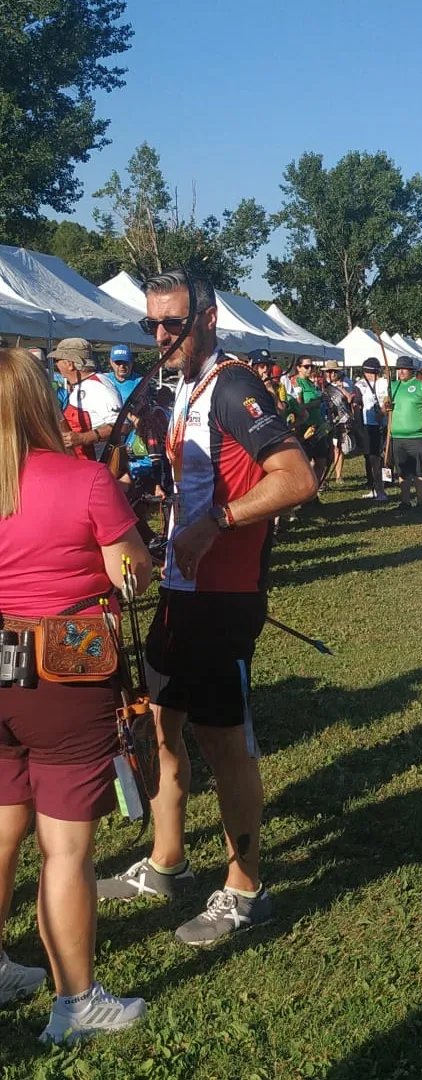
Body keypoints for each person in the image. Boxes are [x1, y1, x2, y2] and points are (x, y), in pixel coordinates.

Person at [96, 269, 318, 946]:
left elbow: (297, 477)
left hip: (224, 597)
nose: (162, 337)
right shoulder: (185, 390)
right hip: (180, 591)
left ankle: (246, 890)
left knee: (223, 743)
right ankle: (167, 862)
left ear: (209, 318)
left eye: (174, 324)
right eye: (152, 326)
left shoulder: (234, 386)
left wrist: (214, 520)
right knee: (160, 727)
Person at [0, 347, 152, 1042]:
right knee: (66, 849)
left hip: (3, 659)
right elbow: (133, 575)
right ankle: (75, 1001)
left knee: (2, 822)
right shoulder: (84, 479)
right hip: (67, 665)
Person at [49, 338, 121, 461]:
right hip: (81, 464)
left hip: (97, 465)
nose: (56, 365)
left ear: (69, 364)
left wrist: (83, 438)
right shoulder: (81, 386)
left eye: (57, 360)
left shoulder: (97, 386)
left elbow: (120, 425)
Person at [382, 357, 422, 509]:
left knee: (418, 470)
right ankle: (405, 501)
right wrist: (385, 407)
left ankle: (420, 502)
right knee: (402, 471)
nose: (400, 371)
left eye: (404, 369)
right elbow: (384, 407)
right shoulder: (393, 386)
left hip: (417, 435)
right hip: (396, 436)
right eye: (398, 369)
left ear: (411, 370)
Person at [292, 358, 331, 487]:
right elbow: (298, 407)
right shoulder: (295, 382)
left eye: (311, 366)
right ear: (298, 367)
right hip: (304, 426)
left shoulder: (310, 382)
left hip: (318, 425)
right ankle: (306, 492)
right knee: (306, 462)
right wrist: (316, 402)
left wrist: (322, 398)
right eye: (306, 366)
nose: (310, 369)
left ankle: (313, 491)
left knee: (321, 461)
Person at [355, 358, 388, 501]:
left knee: (379, 458)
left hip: (381, 425)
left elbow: (388, 399)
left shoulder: (384, 383)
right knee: (369, 457)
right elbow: (359, 401)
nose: (366, 374)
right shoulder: (362, 385)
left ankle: (381, 490)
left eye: (368, 371)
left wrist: (382, 412)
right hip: (367, 425)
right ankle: (373, 488)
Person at [321, 361, 355, 485]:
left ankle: (338, 475)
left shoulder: (345, 383)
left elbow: (350, 399)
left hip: (341, 420)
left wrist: (341, 388)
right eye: (329, 372)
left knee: (338, 448)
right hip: (326, 419)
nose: (331, 374)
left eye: (334, 371)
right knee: (327, 449)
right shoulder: (322, 385)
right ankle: (323, 477)